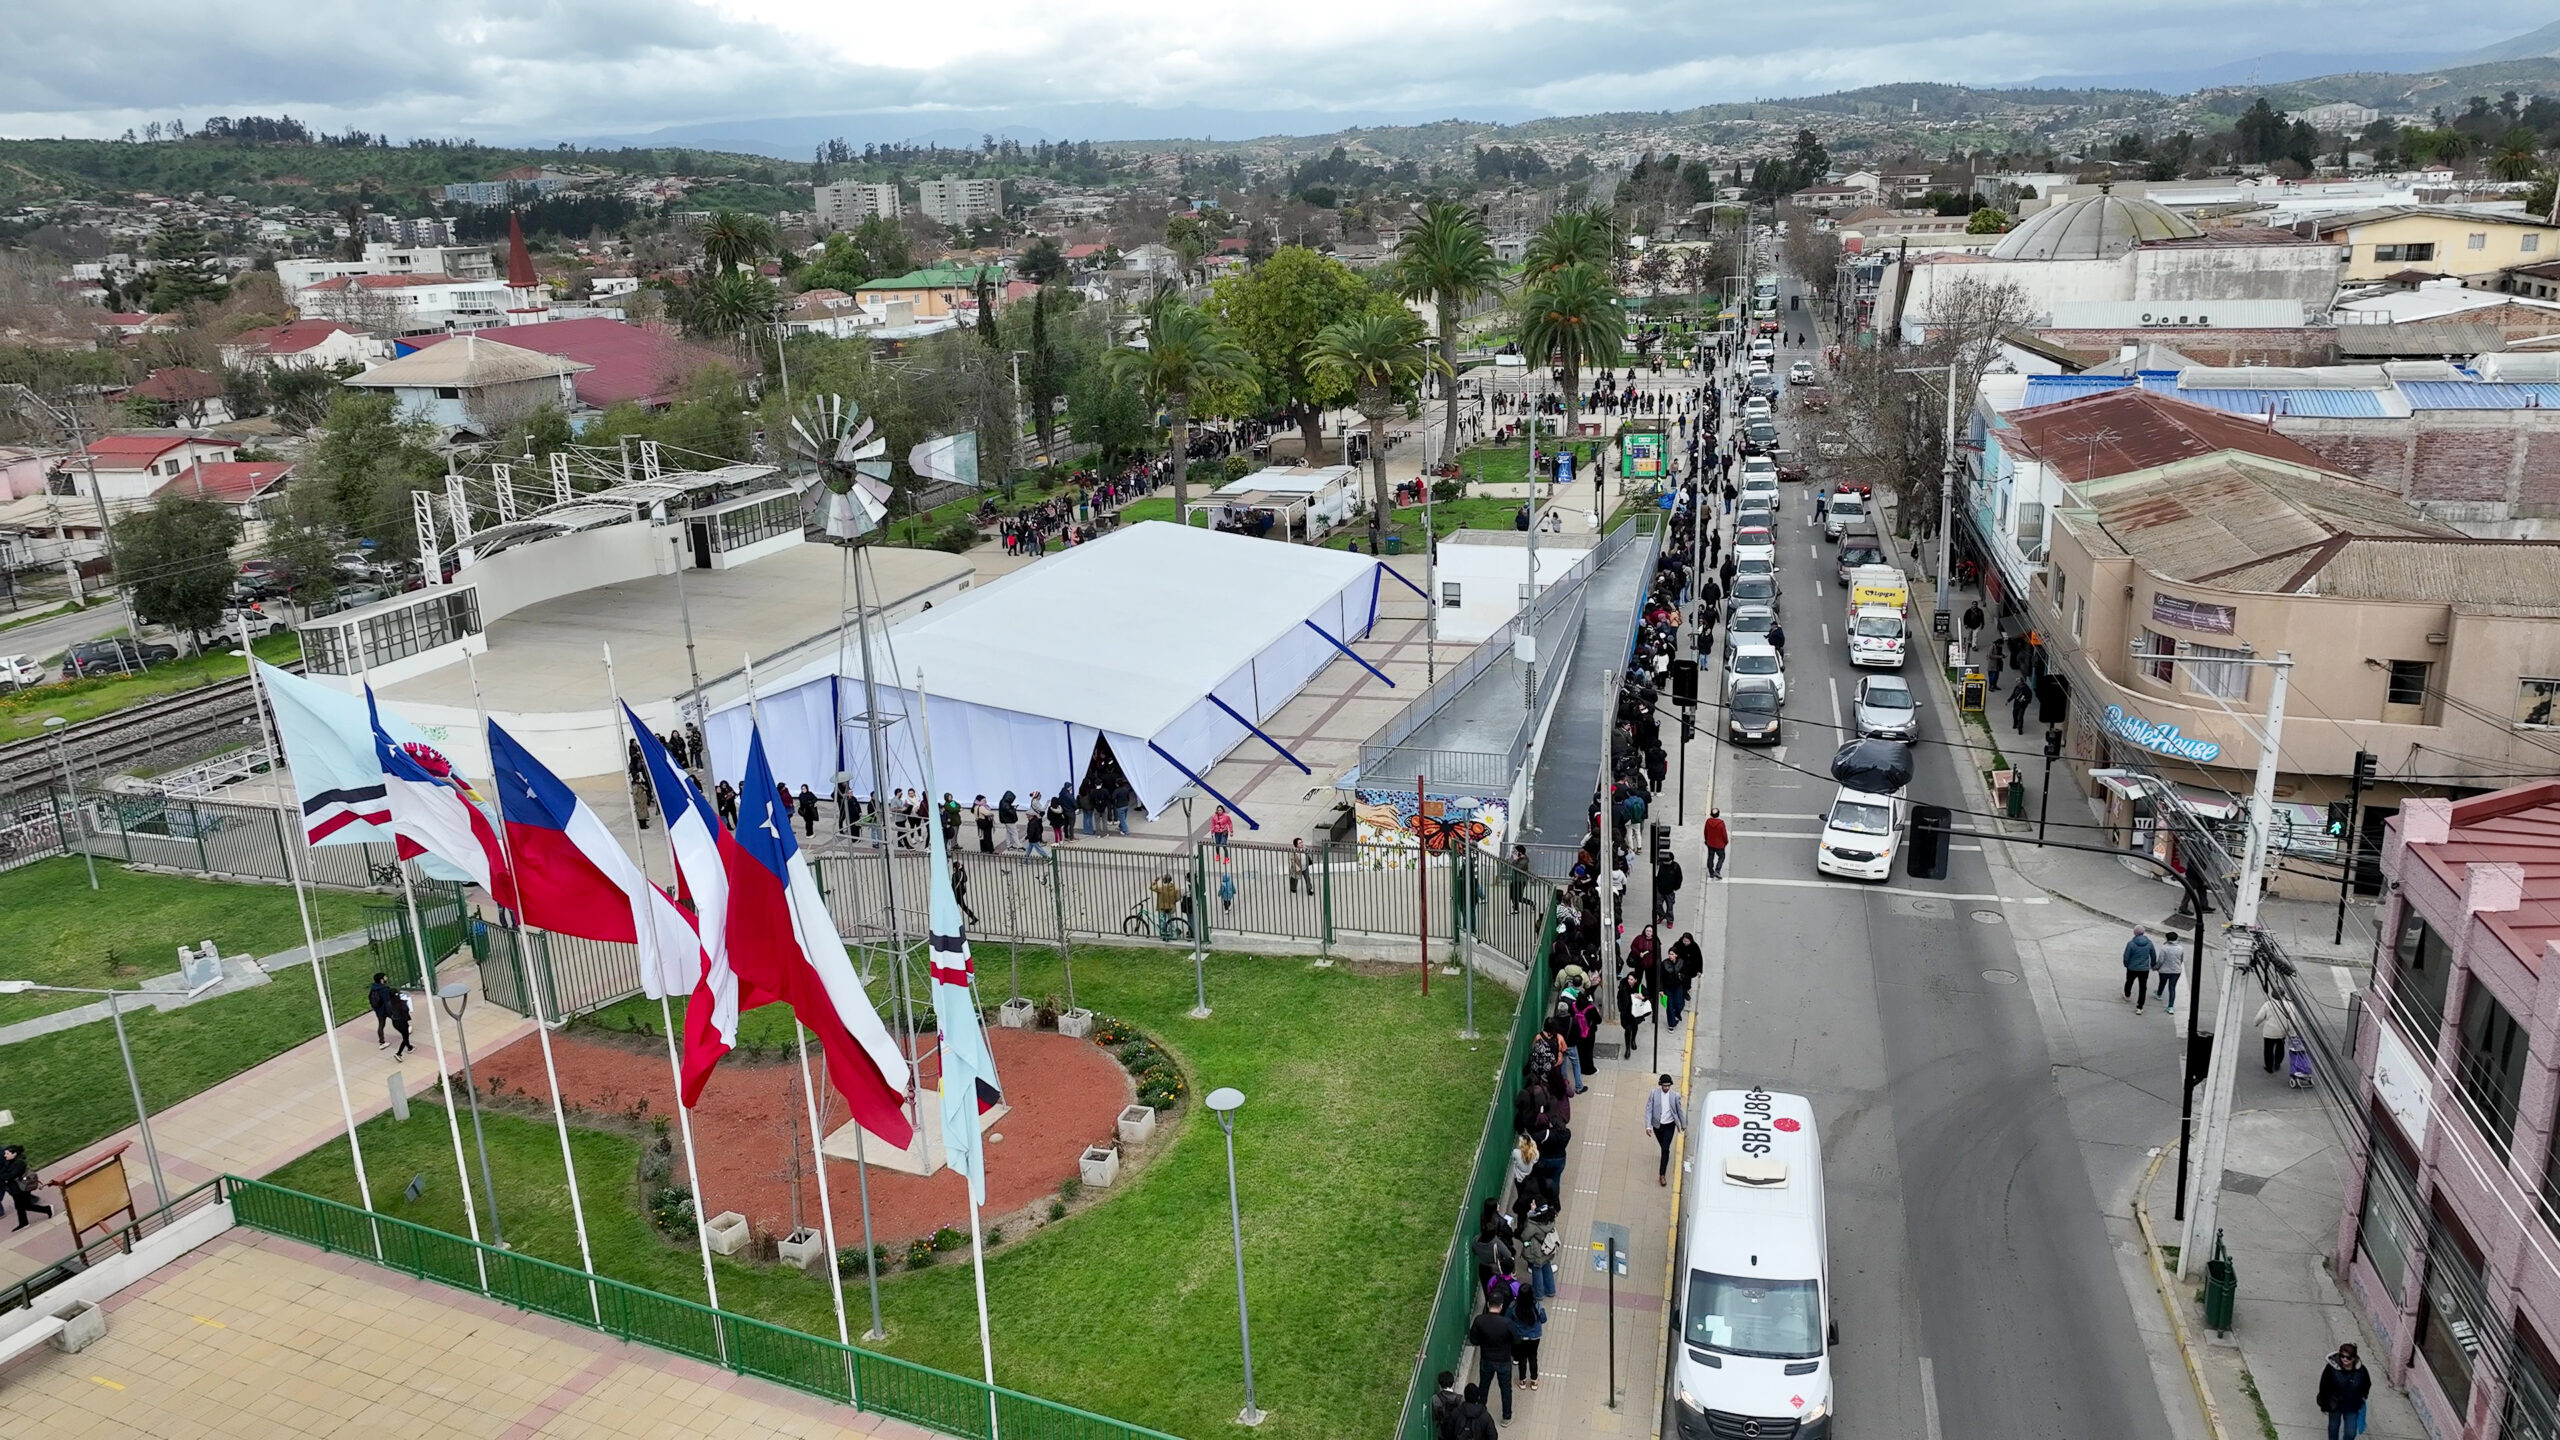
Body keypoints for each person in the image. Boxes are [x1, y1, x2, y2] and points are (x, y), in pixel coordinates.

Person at [1468, 1294, 1517, 1422]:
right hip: (1503, 1360)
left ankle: (1480, 1411)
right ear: (1501, 1307)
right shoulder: (1507, 1323)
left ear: (1489, 1305)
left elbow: (1473, 1340)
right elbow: (1517, 1340)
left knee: (1483, 1386)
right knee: (1506, 1388)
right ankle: (1506, 1416)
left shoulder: (1479, 1320)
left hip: (1486, 1359)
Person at [2316, 1344, 2373, 1440]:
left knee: (2351, 1433)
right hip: (2334, 1403)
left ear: (2354, 1358)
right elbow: (2324, 1386)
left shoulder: (2361, 1370)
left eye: (2348, 1357)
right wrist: (2324, 1405)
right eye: (2342, 1356)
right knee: (2333, 1427)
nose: (2345, 1359)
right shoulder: (2331, 1368)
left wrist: (2363, 1396)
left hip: (2352, 1405)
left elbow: (2367, 1383)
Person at [1646, 1073, 1687, 1186]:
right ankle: (1664, 1154)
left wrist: (1683, 1124)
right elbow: (1649, 1110)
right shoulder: (1654, 1094)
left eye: (1668, 1086)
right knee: (1662, 1145)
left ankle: (1662, 1174)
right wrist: (1648, 1126)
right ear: (1661, 1085)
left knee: (1665, 1149)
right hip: (1657, 1126)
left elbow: (1679, 1111)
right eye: (1664, 1086)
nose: (1666, 1088)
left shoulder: (1675, 1096)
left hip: (1669, 1125)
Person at [2, 1143, 54, 1230]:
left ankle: (47, 1209)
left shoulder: (19, 1163)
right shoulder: (10, 1162)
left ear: (14, 1154)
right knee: (19, 1206)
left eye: (7, 1153)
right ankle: (23, 1223)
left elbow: (10, 1176)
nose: (4, 1155)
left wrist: (4, 1176)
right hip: (15, 1188)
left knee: (26, 1205)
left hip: (22, 1188)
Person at [1520, 1198, 1560, 1298]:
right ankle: (1550, 1290)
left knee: (1537, 1269)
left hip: (1537, 1251)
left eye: (1534, 1204)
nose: (1531, 1204)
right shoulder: (1550, 1219)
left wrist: (1530, 1214)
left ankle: (1538, 1294)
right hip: (1548, 1249)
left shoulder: (1533, 1224)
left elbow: (1524, 1236)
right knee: (1546, 1266)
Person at [1512, 1288, 1548, 1392]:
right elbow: (1544, 1319)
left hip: (1521, 1336)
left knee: (1522, 1358)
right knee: (1533, 1357)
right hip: (1534, 1336)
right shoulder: (1537, 1306)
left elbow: (1510, 1319)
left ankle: (1522, 1381)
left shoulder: (1515, 1307)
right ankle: (1534, 1381)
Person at [369, 971, 412, 1055]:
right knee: (399, 1019)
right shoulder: (384, 990)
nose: (386, 978)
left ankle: (382, 1042)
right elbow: (388, 1001)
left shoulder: (373, 988)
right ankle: (406, 1032)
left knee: (381, 1024)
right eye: (385, 977)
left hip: (378, 1010)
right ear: (381, 980)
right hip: (386, 1010)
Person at [2122, 925, 2157, 1011]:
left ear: (2134, 933)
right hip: (2144, 969)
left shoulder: (2131, 944)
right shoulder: (2149, 943)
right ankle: (2140, 1007)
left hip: (2132, 968)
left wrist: (2126, 965)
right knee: (2143, 987)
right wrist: (2152, 964)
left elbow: (2126, 956)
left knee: (2129, 981)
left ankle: (2127, 994)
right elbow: (2153, 955)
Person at [2258, 993, 2295, 1073]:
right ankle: (2277, 1063)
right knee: (2280, 1047)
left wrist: (2256, 1023)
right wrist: (2292, 1033)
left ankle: (2269, 1067)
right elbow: (2291, 1020)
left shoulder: (2267, 1004)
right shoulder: (2289, 1005)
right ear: (2283, 995)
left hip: (2269, 1032)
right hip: (2281, 1031)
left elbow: (2260, 1017)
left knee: (2268, 1049)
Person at [2156, 931, 2188, 1016]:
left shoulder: (2164, 948)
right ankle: (2170, 1006)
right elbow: (2181, 959)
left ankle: (2159, 994)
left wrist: (2156, 967)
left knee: (2162, 983)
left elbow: (2160, 960)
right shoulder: (2180, 948)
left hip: (2165, 970)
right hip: (2176, 971)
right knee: (2172, 988)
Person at [1430, 1372, 1465, 1440]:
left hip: (1444, 1433)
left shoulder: (1436, 1398)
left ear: (1439, 1385)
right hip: (1458, 1433)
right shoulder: (1460, 1399)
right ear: (1452, 1383)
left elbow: (1436, 1415)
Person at [1152, 873, 1183, 938]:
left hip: (1162, 906)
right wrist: (1173, 901)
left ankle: (1163, 933)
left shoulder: (1161, 888)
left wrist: (1155, 881)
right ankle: (1172, 933)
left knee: (1162, 920)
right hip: (1171, 906)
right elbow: (1178, 897)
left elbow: (1152, 887)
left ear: (1164, 880)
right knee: (1171, 920)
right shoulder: (1175, 888)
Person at [950, 858, 978, 926]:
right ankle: (974, 918)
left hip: (956, 893)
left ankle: (953, 921)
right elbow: (965, 880)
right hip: (961, 891)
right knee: (963, 906)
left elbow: (953, 885)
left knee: (954, 907)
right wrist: (963, 870)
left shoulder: (954, 875)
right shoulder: (962, 873)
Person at [1702, 809, 1730, 879]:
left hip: (1710, 843)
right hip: (1719, 844)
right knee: (1722, 856)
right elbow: (1724, 835)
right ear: (1718, 814)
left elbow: (1705, 832)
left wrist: (1706, 840)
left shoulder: (1708, 822)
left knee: (1710, 857)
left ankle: (1711, 872)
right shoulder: (1721, 824)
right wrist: (1726, 842)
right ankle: (1717, 870)